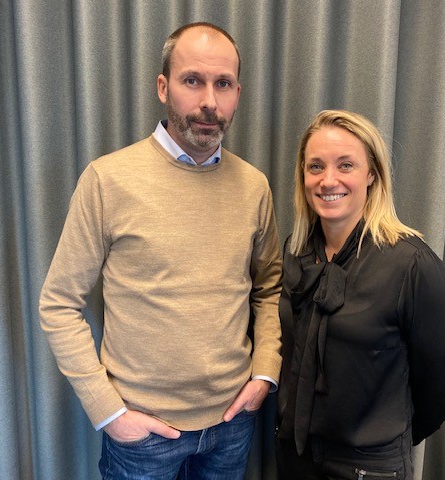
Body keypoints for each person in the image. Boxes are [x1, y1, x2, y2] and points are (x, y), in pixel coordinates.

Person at [39, 22, 282, 480]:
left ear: (237, 93)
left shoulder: (254, 187)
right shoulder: (107, 180)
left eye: (223, 84)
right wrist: (109, 412)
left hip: (232, 424)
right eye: (192, 80)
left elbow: (269, 288)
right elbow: (58, 304)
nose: (209, 101)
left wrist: (264, 373)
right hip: (142, 435)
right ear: (163, 87)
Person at [275, 110, 445, 479]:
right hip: (294, 459)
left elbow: (444, 386)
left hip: (368, 468)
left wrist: (383, 441)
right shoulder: (296, 251)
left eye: (345, 165)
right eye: (316, 167)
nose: (328, 180)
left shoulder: (412, 266)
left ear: (372, 174)